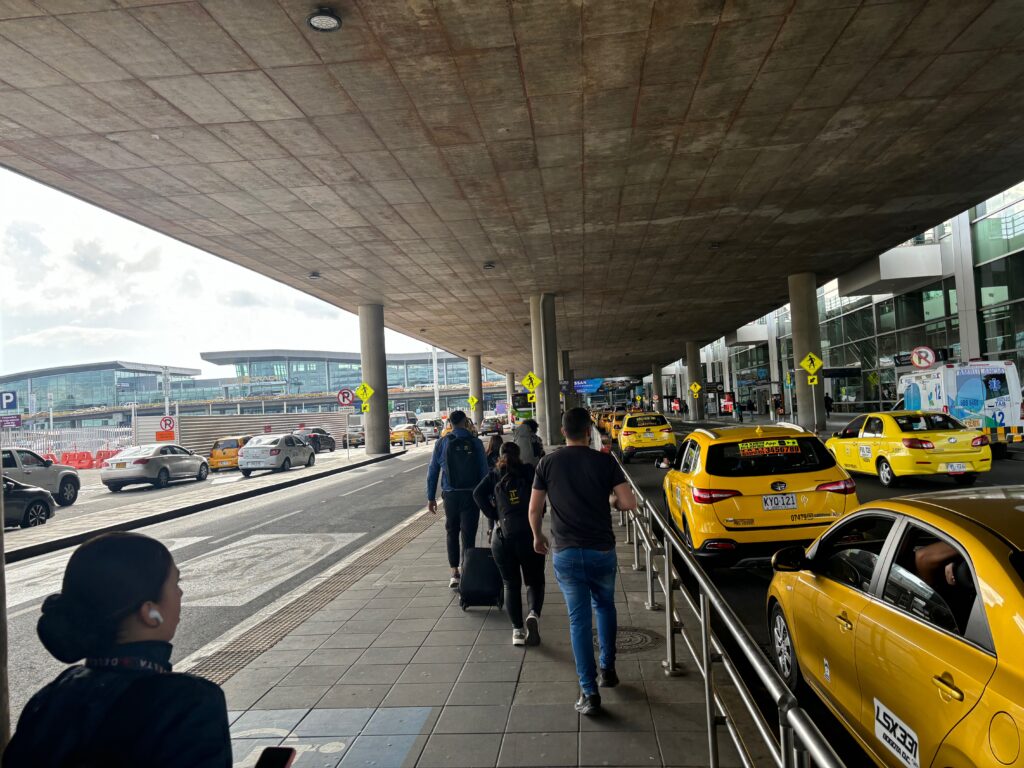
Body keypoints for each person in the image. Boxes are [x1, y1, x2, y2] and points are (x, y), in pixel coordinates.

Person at [4, 532, 232, 768]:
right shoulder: (190, 701)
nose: (180, 594)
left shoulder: (51, 696)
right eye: (176, 584)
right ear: (150, 613)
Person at [529, 408, 637, 716]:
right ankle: (609, 669)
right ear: (588, 432)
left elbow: (535, 509)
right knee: (604, 606)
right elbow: (628, 503)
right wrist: (612, 500)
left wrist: (537, 537)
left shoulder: (547, 463)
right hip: (602, 550)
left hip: (566, 552)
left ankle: (588, 693)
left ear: (563, 432)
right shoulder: (605, 462)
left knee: (578, 621)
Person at [473, 442, 544, 646]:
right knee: (534, 581)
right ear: (519, 455)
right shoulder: (529, 471)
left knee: (510, 585)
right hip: (529, 534)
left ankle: (517, 631)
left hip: (503, 537)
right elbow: (541, 497)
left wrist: (495, 514)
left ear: (500, 455)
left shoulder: (495, 474)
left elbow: (477, 494)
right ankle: (533, 614)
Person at [427, 409, 489, 589]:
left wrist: (431, 497)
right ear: (465, 422)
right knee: (468, 533)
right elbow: (484, 471)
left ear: (450, 424)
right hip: (472, 494)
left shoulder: (441, 443)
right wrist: (489, 495)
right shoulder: (475, 442)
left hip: (451, 495)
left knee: (451, 531)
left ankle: (454, 572)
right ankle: (467, 569)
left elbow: (433, 472)